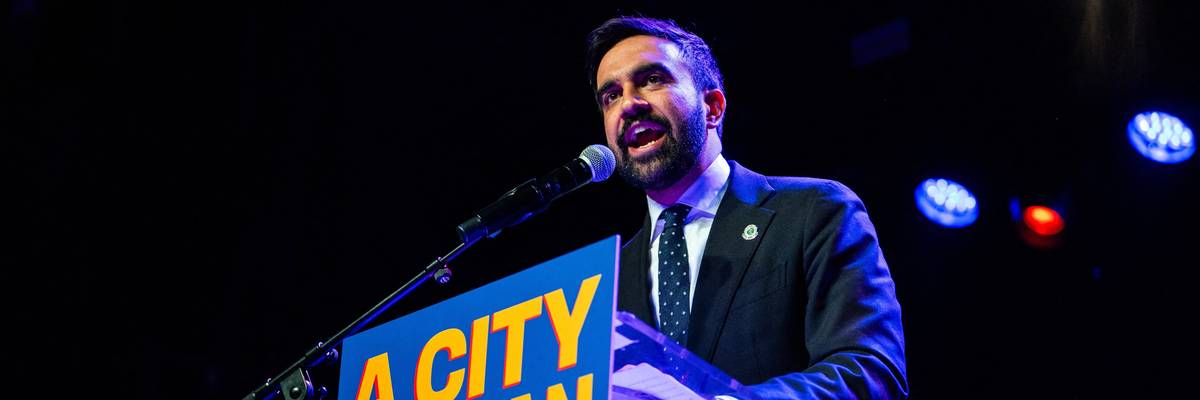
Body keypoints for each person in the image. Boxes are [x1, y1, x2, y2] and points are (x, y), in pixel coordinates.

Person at [587, 17, 908, 399]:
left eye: (652, 79)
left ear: (712, 107)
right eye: (611, 95)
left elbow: (869, 372)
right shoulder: (607, 284)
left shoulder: (813, 212)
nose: (629, 104)